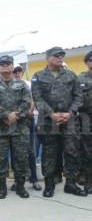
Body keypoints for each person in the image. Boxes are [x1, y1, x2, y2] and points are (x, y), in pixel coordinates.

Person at [31, 46, 86, 197]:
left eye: (62, 56)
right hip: (49, 122)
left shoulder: (71, 75)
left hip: (69, 121)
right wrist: (51, 114)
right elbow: (37, 98)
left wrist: (70, 113)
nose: (60, 58)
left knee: (71, 152)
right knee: (49, 153)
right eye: (56, 56)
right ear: (48, 57)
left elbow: (78, 96)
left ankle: (70, 184)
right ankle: (49, 185)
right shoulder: (38, 76)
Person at [0, 56, 31, 199]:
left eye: (8, 64)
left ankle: (20, 186)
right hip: (0, 128)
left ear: (12, 66)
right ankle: (1, 187)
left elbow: (26, 102)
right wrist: (6, 115)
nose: (5, 66)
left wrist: (15, 116)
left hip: (19, 127)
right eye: (2, 64)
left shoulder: (22, 84)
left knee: (20, 158)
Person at [11, 66, 42, 191]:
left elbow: (34, 99)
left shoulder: (28, 84)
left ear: (22, 72)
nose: (17, 73)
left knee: (31, 152)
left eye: (19, 71)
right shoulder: (8, 86)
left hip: (27, 121)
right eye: (15, 71)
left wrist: (29, 110)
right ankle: (16, 181)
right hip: (14, 122)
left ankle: (33, 180)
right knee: (15, 153)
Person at [78, 50, 92, 194]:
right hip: (86, 120)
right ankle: (88, 182)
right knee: (87, 153)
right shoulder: (80, 79)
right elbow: (76, 99)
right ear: (87, 62)